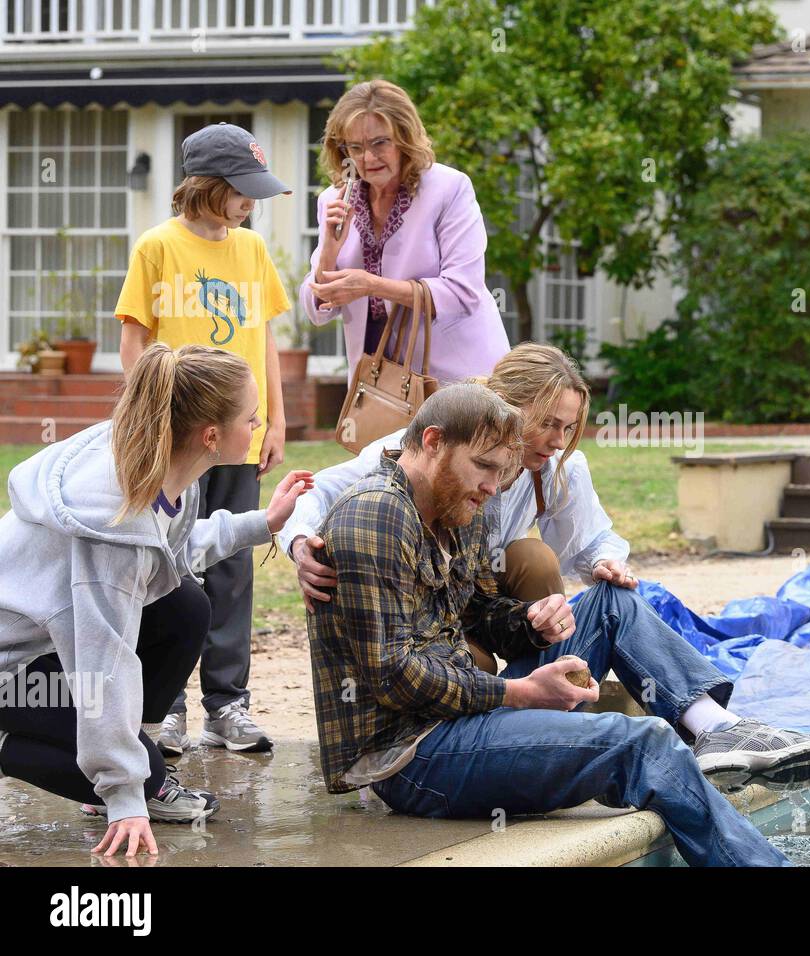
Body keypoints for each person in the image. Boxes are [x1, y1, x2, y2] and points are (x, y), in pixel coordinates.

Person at [306, 383, 810, 866]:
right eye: (485, 467)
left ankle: (718, 729)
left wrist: (534, 626)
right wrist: (517, 692)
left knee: (611, 603)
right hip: (408, 758)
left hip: (455, 717)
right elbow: (391, 675)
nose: (495, 487)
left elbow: (479, 617)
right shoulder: (377, 513)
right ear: (432, 442)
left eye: (502, 472)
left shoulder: (454, 508)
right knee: (643, 744)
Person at [0, 345, 312, 859]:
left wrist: (263, 524)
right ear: (211, 436)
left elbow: (166, 552)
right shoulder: (112, 527)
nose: (258, 426)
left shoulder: (163, 461)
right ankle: (25, 750)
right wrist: (124, 792)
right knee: (143, 778)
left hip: (48, 649)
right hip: (14, 677)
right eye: (251, 419)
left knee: (186, 605)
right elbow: (105, 658)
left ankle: (123, 754)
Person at [279, 344, 632, 672]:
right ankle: (502, 698)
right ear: (507, 403)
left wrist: (604, 563)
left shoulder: (555, 469)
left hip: (485, 591)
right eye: (548, 424)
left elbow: (588, 539)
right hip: (428, 600)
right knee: (477, 667)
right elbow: (317, 490)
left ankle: (545, 679)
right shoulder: (416, 452)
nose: (558, 442)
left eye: (568, 428)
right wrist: (300, 542)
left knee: (534, 558)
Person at [116, 122, 294, 757]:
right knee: (164, 567)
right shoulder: (157, 247)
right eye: (242, 191)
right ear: (206, 187)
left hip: (238, 438)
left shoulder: (250, 251)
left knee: (233, 568)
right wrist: (146, 422)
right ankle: (163, 708)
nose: (251, 203)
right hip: (177, 442)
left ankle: (228, 705)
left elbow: (266, 337)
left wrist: (274, 419)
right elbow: (135, 341)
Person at [301, 78, 509, 385]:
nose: (368, 159)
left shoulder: (449, 189)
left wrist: (372, 285)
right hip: (378, 386)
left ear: (405, 138)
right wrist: (328, 255)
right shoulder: (334, 200)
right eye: (355, 147)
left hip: (458, 380)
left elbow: (463, 293)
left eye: (380, 143)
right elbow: (317, 310)